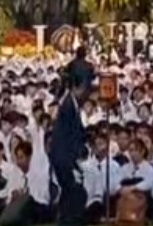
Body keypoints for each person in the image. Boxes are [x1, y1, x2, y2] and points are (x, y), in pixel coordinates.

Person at [51, 65, 90, 225]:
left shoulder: (71, 104)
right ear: (78, 87)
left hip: (65, 156)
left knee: (71, 192)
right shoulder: (68, 105)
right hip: (64, 157)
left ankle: (67, 220)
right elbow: (71, 134)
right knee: (73, 192)